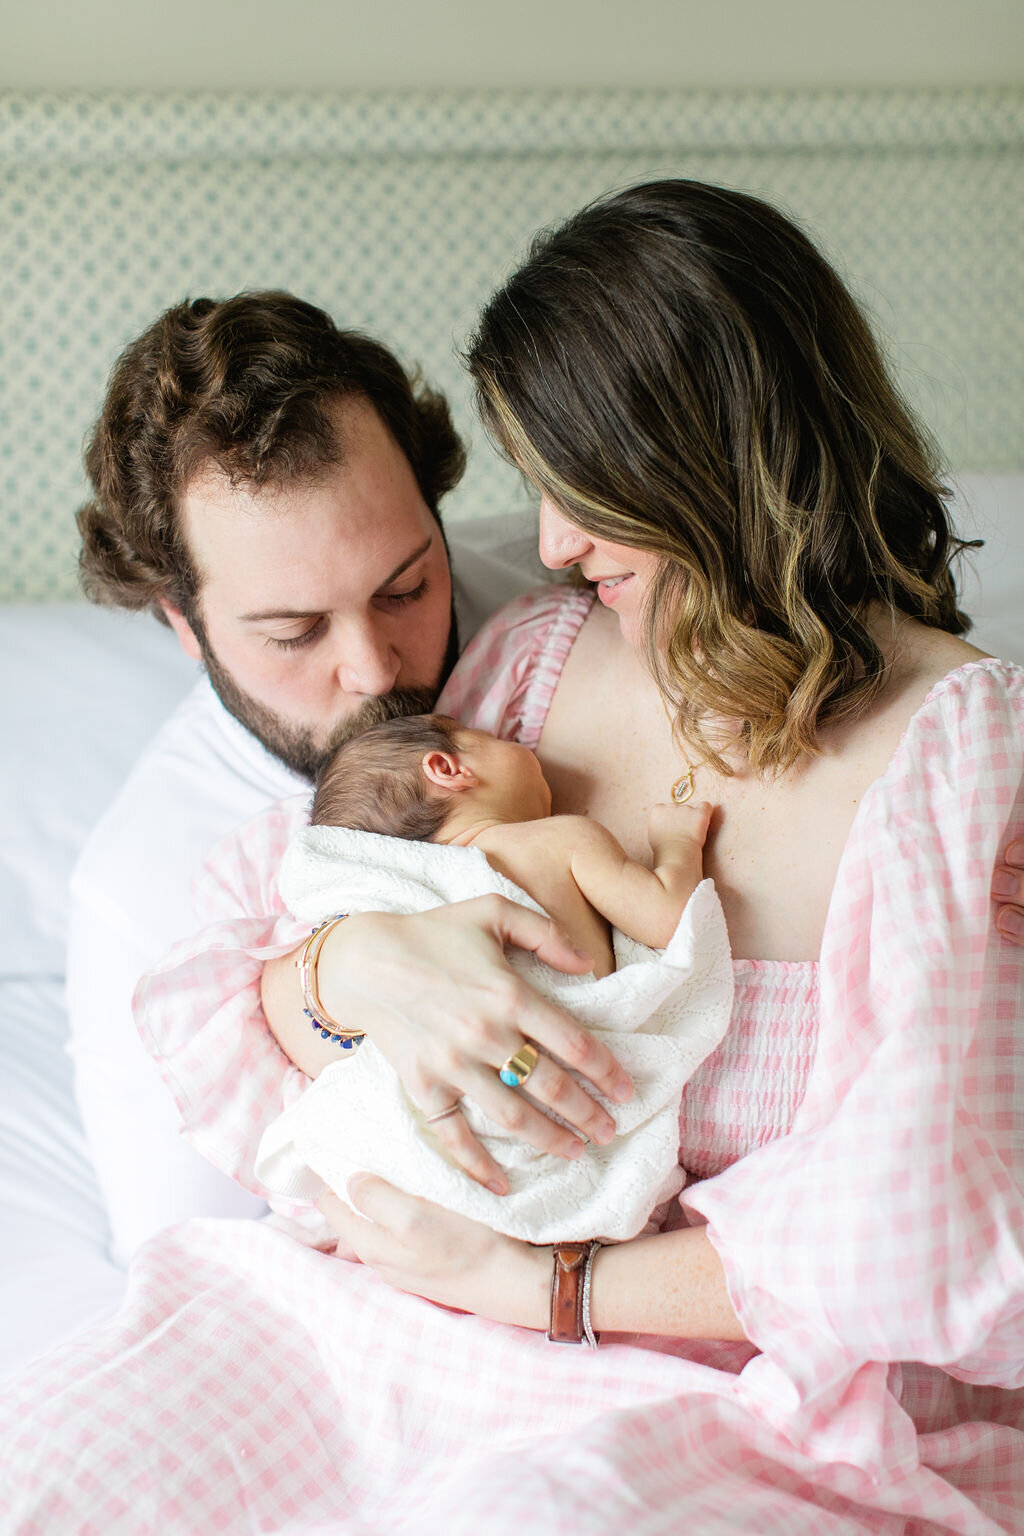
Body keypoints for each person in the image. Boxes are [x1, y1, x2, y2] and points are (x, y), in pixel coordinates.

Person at [6, 180, 1022, 1531]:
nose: (545, 542)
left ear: (713, 458)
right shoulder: (534, 658)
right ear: (188, 629)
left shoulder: (953, 753)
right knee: (65, 1463)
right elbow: (248, 981)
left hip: (719, 1385)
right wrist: (356, 970)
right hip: (388, 1314)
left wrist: (537, 1286)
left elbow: (919, 1231)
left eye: (578, 485)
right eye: (534, 488)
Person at [65, 291, 550, 1263]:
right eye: (293, 632)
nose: (375, 669)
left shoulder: (566, 590)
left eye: (406, 586)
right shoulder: (140, 896)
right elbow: (193, 1265)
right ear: (181, 618)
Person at [253, 713, 731, 1243]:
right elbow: (668, 919)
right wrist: (677, 846)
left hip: (438, 1147)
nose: (525, 746)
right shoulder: (559, 840)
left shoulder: (409, 902)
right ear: (447, 767)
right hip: (559, 1103)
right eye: (495, 740)